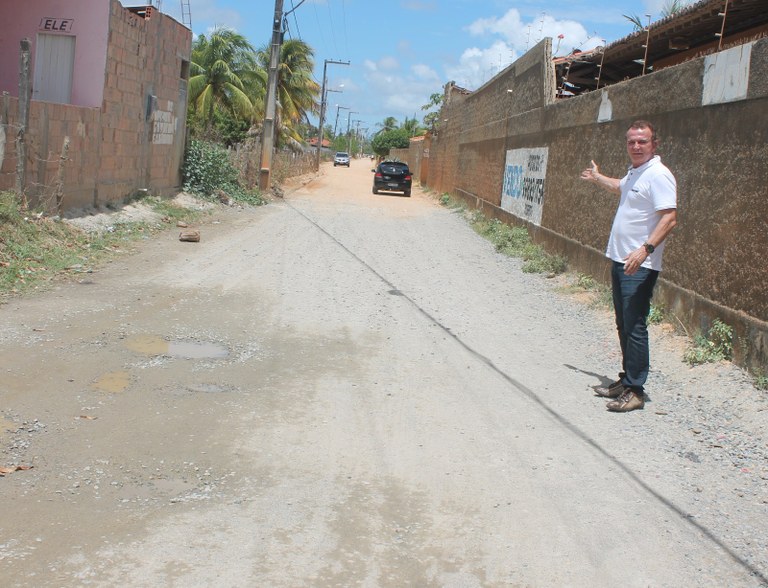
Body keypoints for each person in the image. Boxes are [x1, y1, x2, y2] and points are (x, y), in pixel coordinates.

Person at [580, 120, 678, 412]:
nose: (636, 146)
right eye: (631, 142)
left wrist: (645, 249)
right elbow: (619, 187)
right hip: (621, 261)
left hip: (640, 265)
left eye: (642, 141)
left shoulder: (659, 175)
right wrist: (598, 177)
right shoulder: (636, 173)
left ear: (654, 144)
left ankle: (635, 390)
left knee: (634, 326)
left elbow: (670, 218)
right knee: (623, 323)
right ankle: (626, 380)